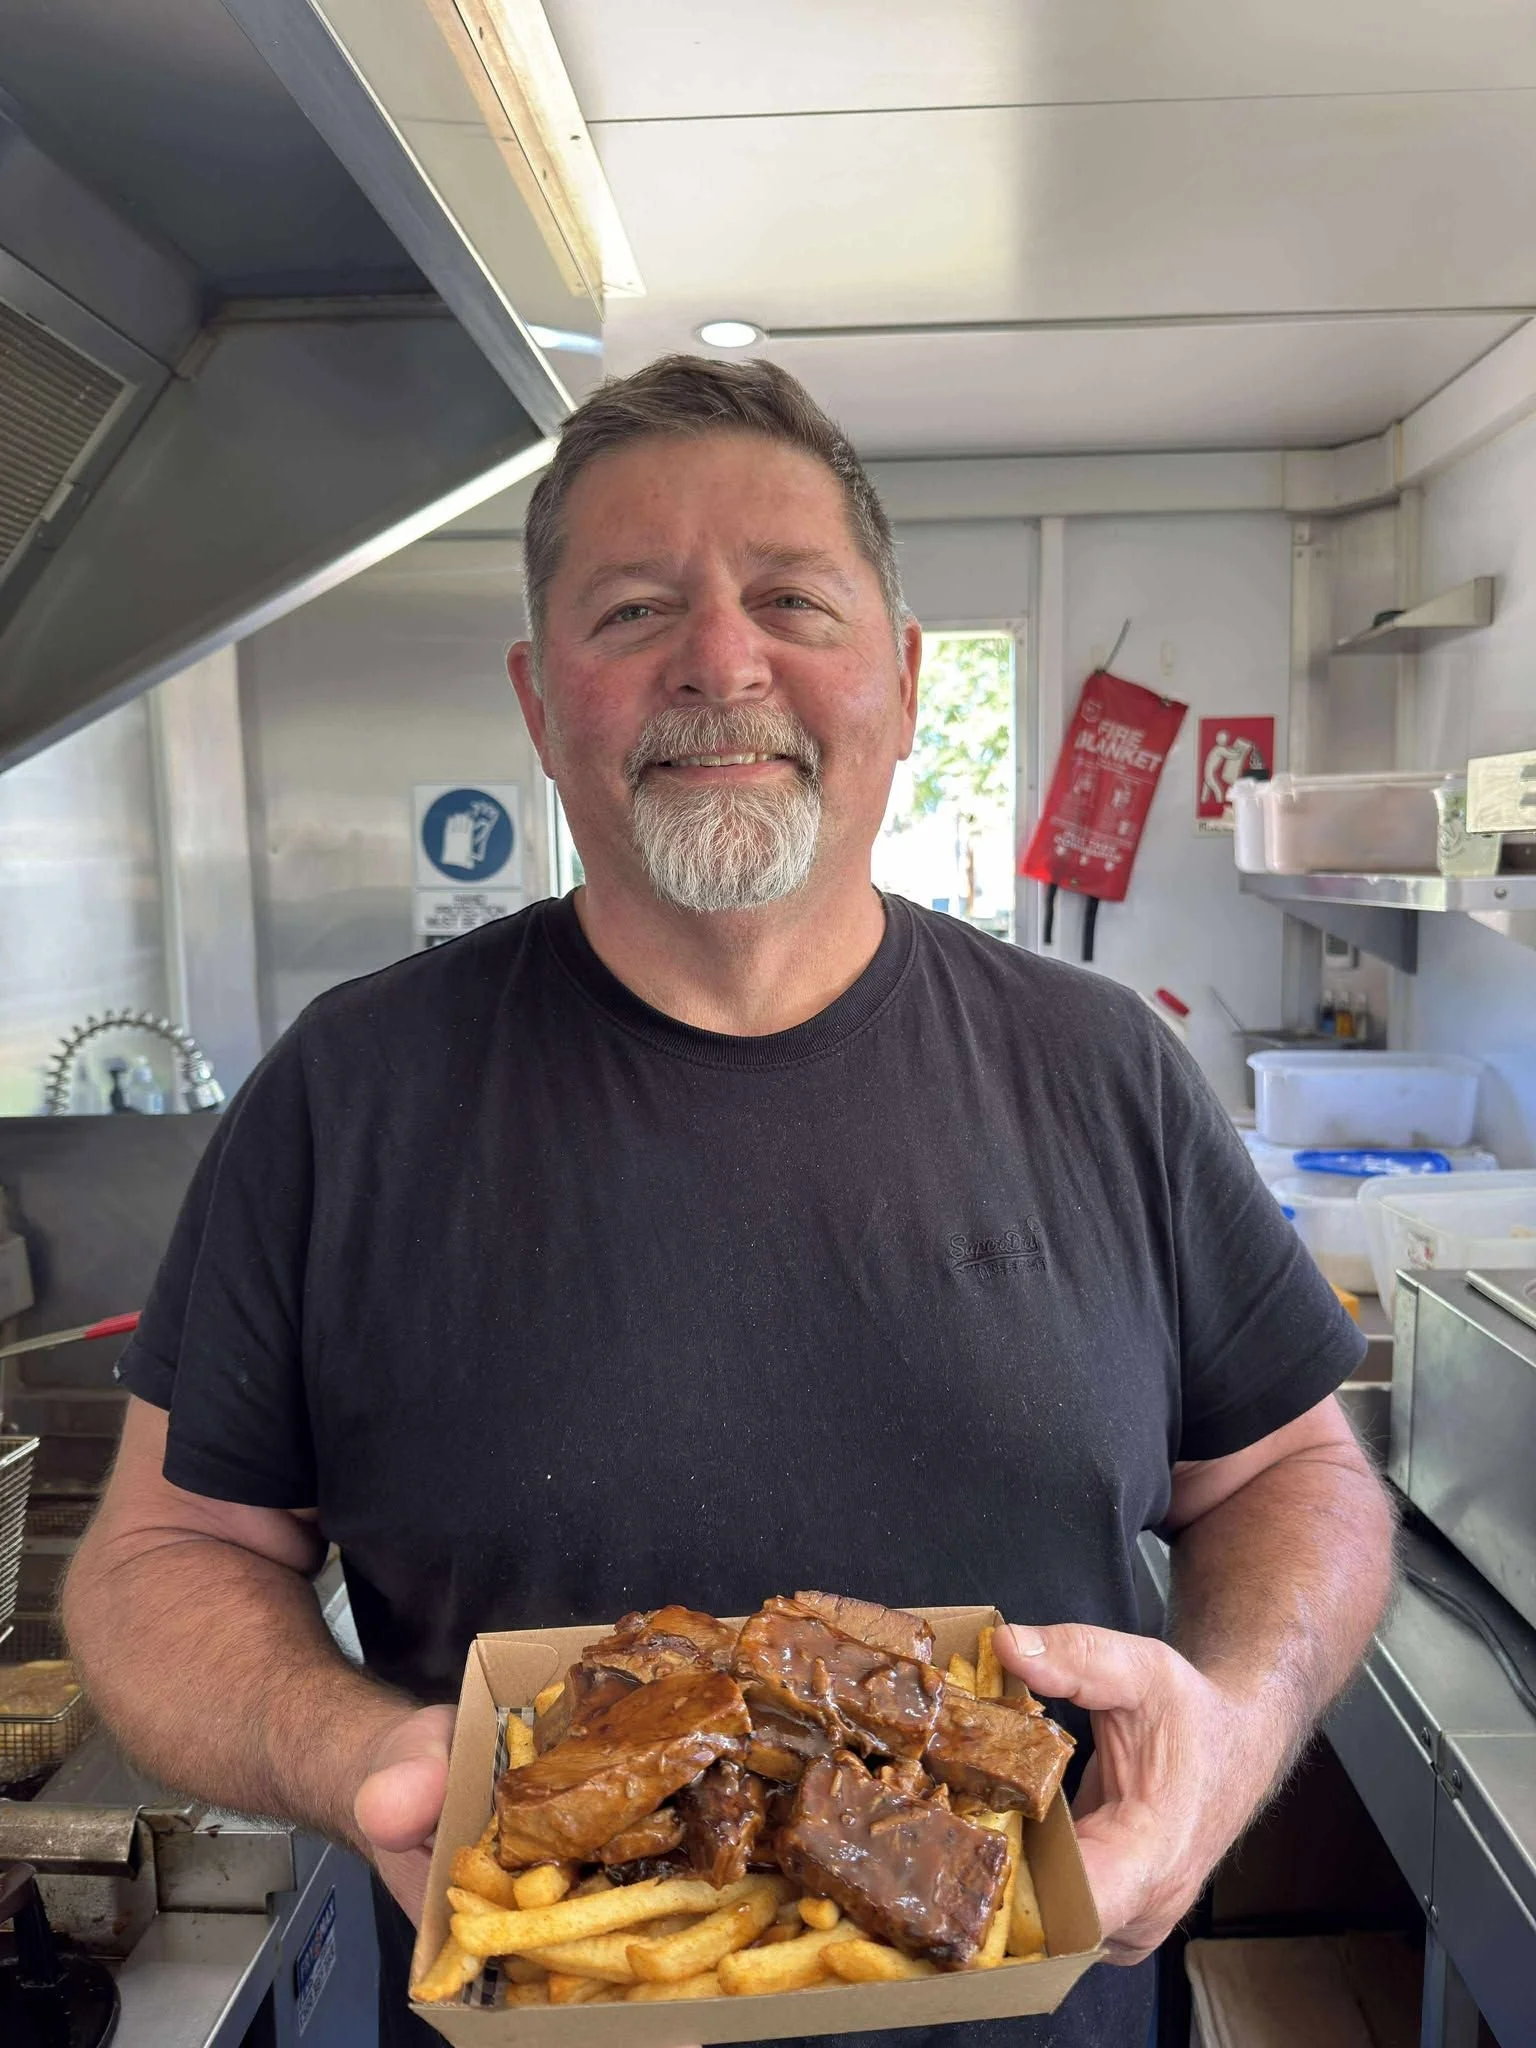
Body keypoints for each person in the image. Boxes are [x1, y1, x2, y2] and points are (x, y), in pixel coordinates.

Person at [64, 356, 1394, 2048]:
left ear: (903, 686)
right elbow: (160, 1554)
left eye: (790, 597)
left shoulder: (1098, 1070)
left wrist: (1235, 1719)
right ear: (543, 705)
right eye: (633, 610)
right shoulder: (347, 1097)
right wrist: (356, 1757)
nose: (719, 658)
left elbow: (1295, 1473)